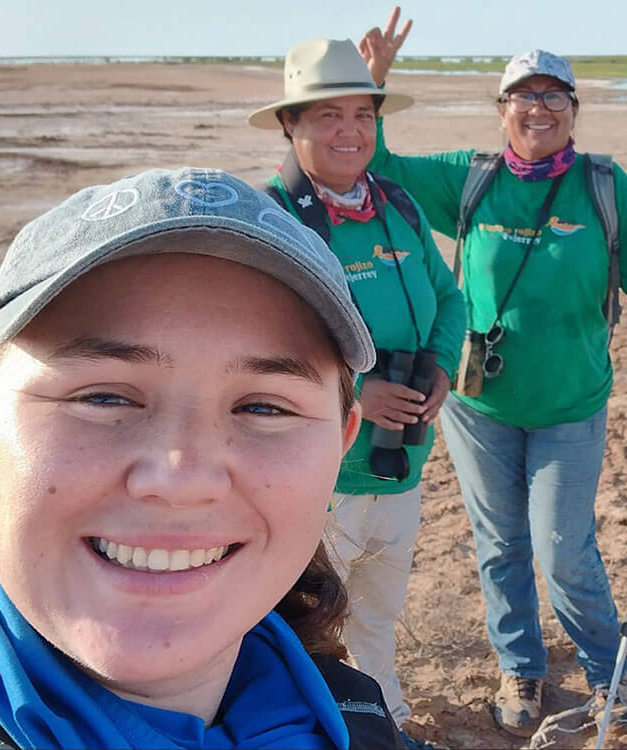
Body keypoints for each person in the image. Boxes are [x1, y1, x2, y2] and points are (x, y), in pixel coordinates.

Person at [0, 167, 407, 750]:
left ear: (338, 450)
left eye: (263, 408)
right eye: (103, 397)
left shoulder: (349, 713)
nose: (180, 478)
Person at [360, 8, 627, 738]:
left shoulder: (603, 188)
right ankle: (521, 670)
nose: (537, 108)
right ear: (501, 109)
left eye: (553, 96)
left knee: (563, 549)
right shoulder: (466, 182)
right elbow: (378, 166)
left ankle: (609, 678)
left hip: (572, 405)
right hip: (479, 409)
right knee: (499, 545)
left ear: (574, 110)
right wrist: (373, 83)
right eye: (523, 96)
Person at [247, 37, 463, 750]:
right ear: (291, 126)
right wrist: (352, 397)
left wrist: (439, 366)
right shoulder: (271, 216)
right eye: (328, 116)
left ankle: (385, 721)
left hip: (400, 465)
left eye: (363, 115)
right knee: (301, 620)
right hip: (316, 475)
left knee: (378, 610)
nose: (350, 132)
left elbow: (448, 296)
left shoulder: (396, 202)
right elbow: (257, 344)